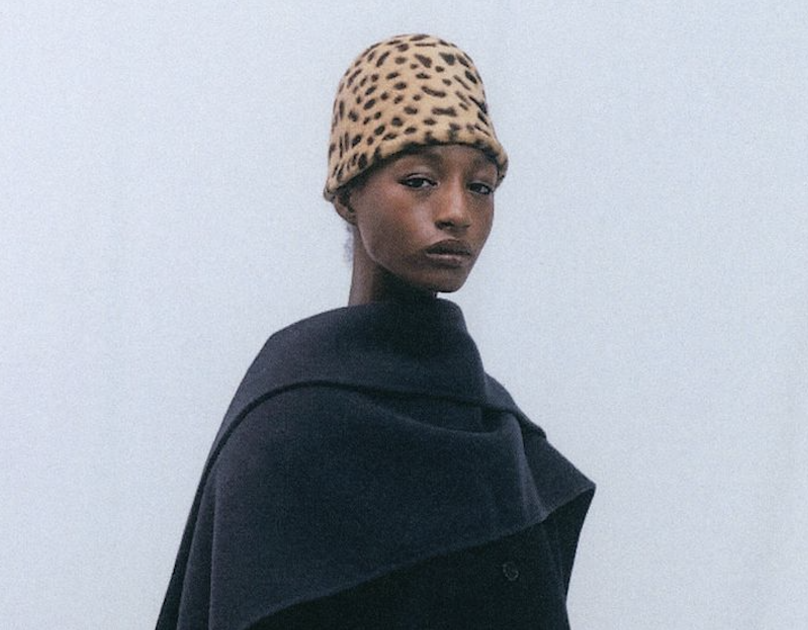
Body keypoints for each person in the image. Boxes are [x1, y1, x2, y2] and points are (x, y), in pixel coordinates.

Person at [156, 34, 595, 629]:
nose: (457, 212)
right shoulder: (287, 425)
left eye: (481, 186)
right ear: (348, 194)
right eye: (419, 180)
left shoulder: (494, 429)